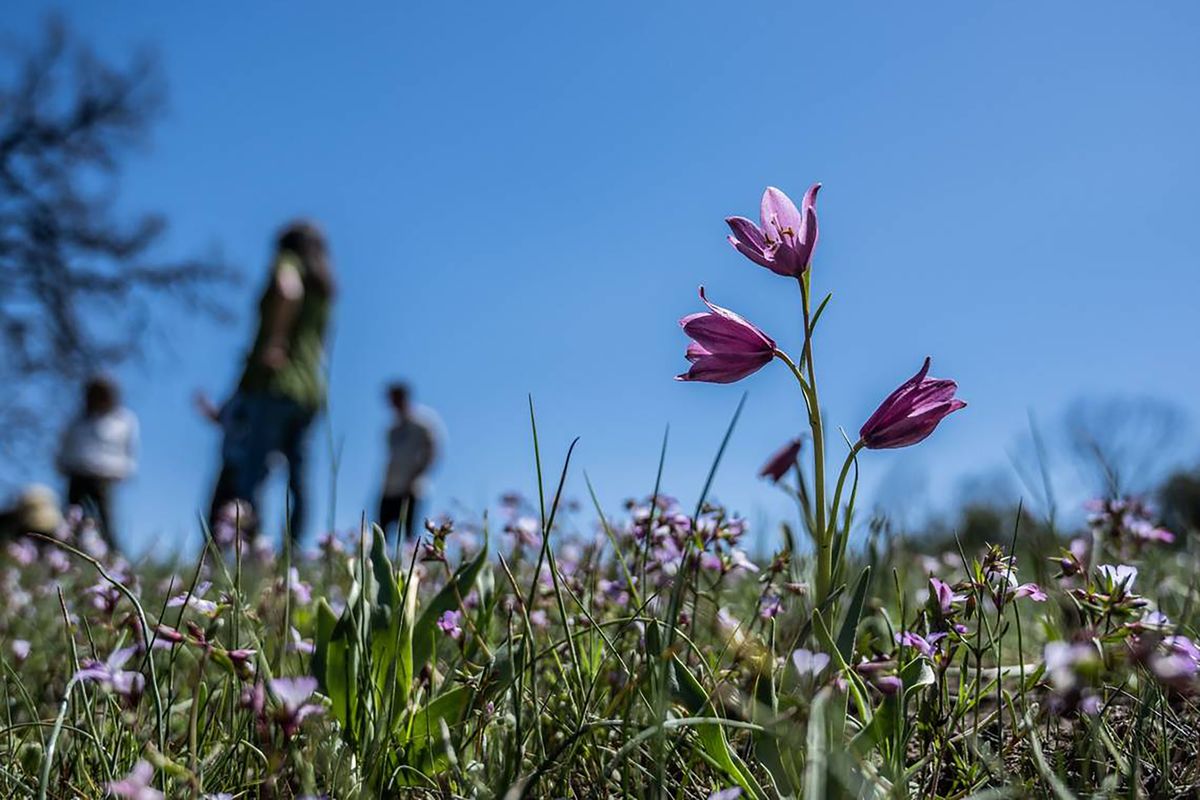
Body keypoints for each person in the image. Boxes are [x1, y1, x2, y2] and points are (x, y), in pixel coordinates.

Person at [204, 220, 335, 545]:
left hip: (275, 383)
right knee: (299, 477)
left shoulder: (289, 264)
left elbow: (286, 289)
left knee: (254, 471)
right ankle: (294, 548)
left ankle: (243, 547)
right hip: (309, 389)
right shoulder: (325, 288)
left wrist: (275, 341)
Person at [56, 376, 138, 548]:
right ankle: (70, 552)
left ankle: (113, 555)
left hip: (104, 476)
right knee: (72, 519)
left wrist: (125, 471)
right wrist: (62, 463)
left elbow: (130, 449)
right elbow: (66, 444)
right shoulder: (78, 420)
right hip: (78, 474)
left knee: (106, 520)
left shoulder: (124, 420)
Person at [378, 383, 441, 540]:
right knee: (381, 532)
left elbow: (432, 451)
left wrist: (416, 477)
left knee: (408, 535)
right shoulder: (392, 429)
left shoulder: (422, 422)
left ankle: (409, 563)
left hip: (411, 489)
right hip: (389, 488)